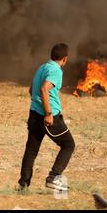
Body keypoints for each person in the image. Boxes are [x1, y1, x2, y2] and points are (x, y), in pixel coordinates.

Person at [18, 43, 75, 191]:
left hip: (34, 114)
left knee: (31, 149)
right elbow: (44, 88)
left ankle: (23, 184)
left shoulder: (42, 67)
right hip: (49, 116)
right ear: (65, 59)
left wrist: (38, 106)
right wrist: (48, 113)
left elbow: (32, 90)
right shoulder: (56, 70)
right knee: (69, 145)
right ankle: (54, 178)